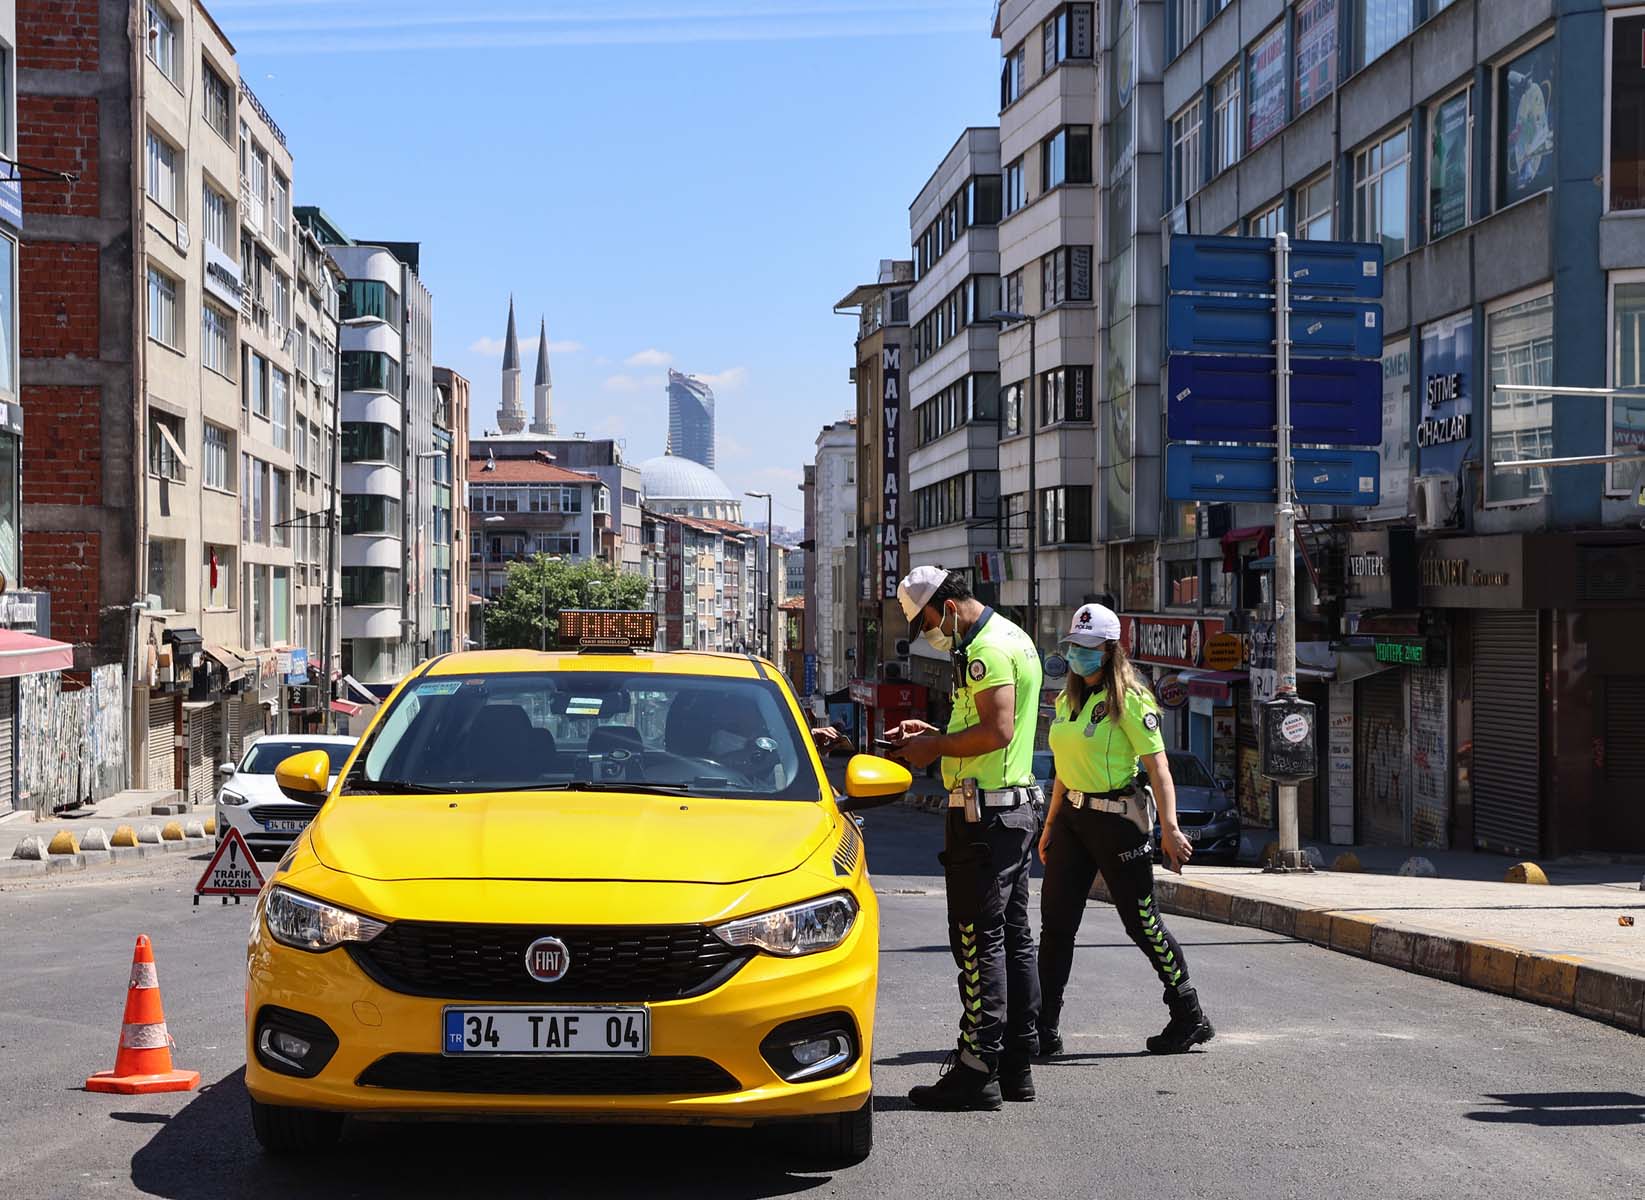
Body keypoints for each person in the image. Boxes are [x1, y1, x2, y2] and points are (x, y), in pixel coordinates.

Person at [884, 566, 1043, 1111]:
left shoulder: (986, 652)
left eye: (926, 621)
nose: (928, 632)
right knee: (1013, 937)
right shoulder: (1013, 635)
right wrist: (934, 736)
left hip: (985, 818)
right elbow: (992, 732)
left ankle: (976, 1069)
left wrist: (933, 751)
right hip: (1011, 808)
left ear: (947, 607)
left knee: (978, 940)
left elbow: (997, 729)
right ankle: (1017, 1061)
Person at [1035, 603, 1215, 1057]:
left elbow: (1159, 769)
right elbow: (1062, 768)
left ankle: (1188, 1014)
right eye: (1075, 647)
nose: (1080, 655)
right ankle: (1044, 1027)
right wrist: (1051, 823)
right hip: (1073, 820)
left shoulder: (1132, 701)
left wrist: (1170, 830)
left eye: (1090, 648)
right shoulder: (1066, 699)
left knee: (1142, 923)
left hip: (1118, 822)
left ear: (1111, 651)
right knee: (1056, 926)